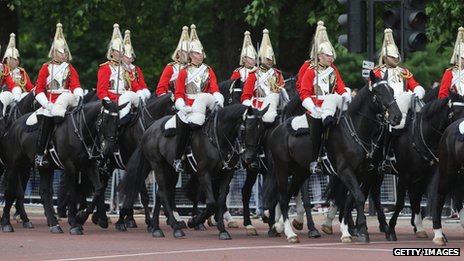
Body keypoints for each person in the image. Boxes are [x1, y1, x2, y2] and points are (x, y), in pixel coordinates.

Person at [299, 22, 350, 175]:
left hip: (332, 106)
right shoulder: (310, 72)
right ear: (319, 56)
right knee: (317, 125)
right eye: (327, 55)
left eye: (332, 55)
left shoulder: (334, 71)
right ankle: (315, 160)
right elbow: (304, 93)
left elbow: (340, 87)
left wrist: (345, 95)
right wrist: (313, 108)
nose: (331, 58)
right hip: (316, 107)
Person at [173, 24, 224, 173]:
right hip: (188, 106)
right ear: (190, 55)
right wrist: (182, 105)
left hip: (206, 105)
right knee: (183, 127)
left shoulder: (208, 70)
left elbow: (214, 88)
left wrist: (217, 97)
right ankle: (178, 158)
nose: (200, 55)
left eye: (201, 52)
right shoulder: (183, 72)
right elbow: (179, 93)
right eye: (196, 53)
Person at [374, 28, 425, 174]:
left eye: (397, 56)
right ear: (384, 57)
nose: (396, 59)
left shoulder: (403, 71)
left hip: (405, 104)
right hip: (387, 107)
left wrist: (418, 91)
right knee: (386, 126)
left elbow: (414, 85)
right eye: (392, 57)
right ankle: (386, 156)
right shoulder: (377, 72)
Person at [34, 23, 83, 168]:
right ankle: (40, 154)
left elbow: (75, 84)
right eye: (62, 52)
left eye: (66, 52)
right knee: (47, 120)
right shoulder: (46, 68)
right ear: (54, 52)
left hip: (66, 101)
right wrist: (46, 104)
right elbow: (39, 89)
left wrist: (78, 94)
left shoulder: (69, 67)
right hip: (50, 101)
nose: (65, 55)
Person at [96, 24, 141, 121]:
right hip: (112, 101)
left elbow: (135, 85)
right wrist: (107, 101)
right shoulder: (105, 68)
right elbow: (101, 90)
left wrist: (140, 93)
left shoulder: (127, 68)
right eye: (117, 51)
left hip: (128, 99)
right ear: (111, 52)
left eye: (122, 51)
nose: (121, 53)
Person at [240, 28, 284, 124]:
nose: (270, 61)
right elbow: (245, 97)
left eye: (271, 58)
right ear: (261, 59)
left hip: (277, 106)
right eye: (267, 58)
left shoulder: (277, 73)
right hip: (259, 107)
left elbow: (282, 92)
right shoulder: (254, 74)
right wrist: (252, 109)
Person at [156, 26, 190, 97]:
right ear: (178, 53)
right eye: (185, 52)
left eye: (189, 53)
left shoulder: (194, 67)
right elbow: (161, 89)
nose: (188, 55)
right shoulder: (171, 67)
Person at [2, 33, 34, 100]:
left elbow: (29, 86)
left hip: (21, 96)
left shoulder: (21, 72)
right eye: (10, 59)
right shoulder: (3, 70)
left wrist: (34, 91)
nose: (13, 61)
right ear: (6, 60)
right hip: (7, 94)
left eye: (15, 59)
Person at [122, 29, 151, 103]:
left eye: (130, 57)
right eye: (126, 57)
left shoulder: (136, 69)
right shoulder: (119, 68)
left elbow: (142, 83)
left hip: (136, 94)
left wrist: (143, 91)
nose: (129, 59)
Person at [438, 27, 464, 99]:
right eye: (462, 58)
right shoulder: (449, 73)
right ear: (457, 58)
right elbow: (442, 95)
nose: (463, 61)